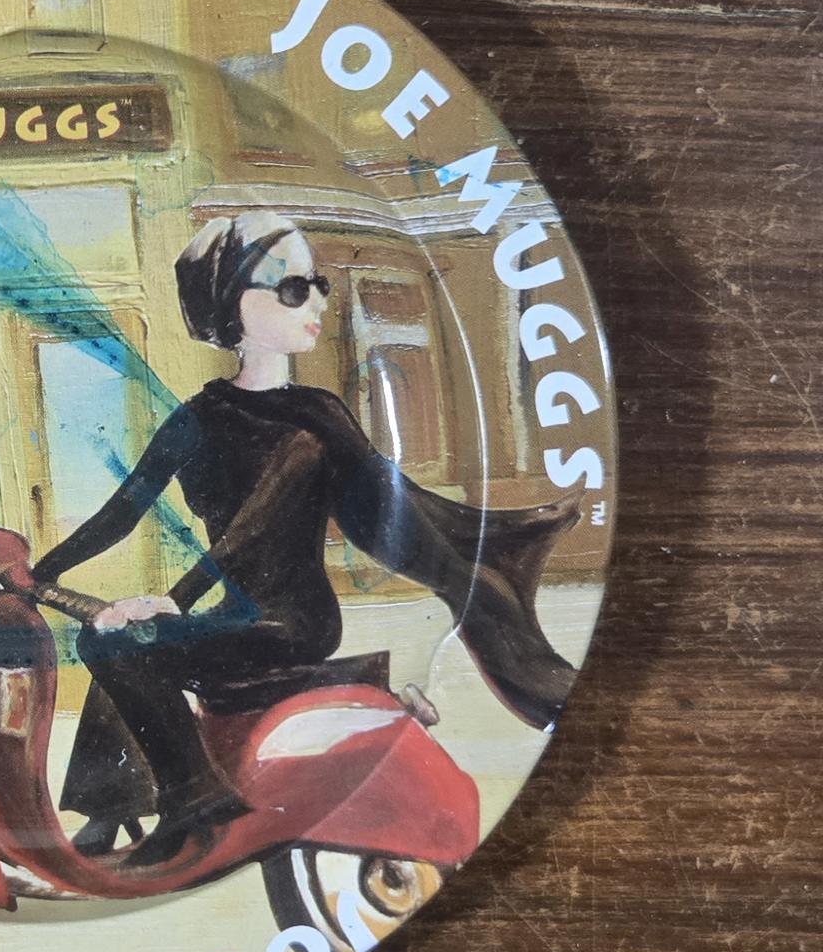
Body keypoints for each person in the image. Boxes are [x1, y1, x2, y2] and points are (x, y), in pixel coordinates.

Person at [30, 210, 583, 868]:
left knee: (118, 640)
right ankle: (111, 807)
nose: (317, 301)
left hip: (291, 624)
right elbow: (123, 511)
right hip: (235, 615)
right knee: (121, 634)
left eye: (316, 285)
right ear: (232, 304)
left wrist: (175, 598)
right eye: (293, 289)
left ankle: (194, 806)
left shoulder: (315, 421)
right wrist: (41, 570)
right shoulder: (198, 417)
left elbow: (268, 529)